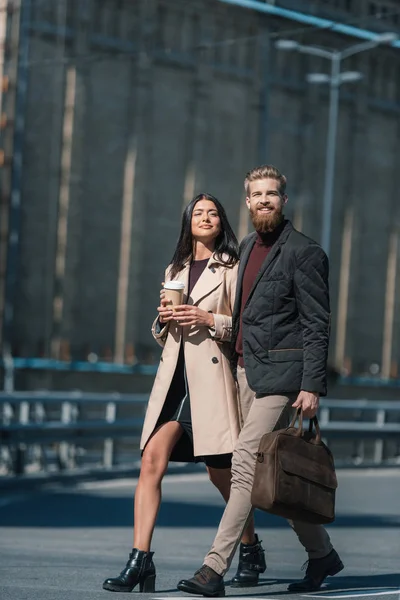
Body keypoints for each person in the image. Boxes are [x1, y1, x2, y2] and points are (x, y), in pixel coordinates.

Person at [177, 165, 344, 597]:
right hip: (245, 373)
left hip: (285, 379)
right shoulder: (247, 248)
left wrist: (311, 385)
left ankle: (213, 568)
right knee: (275, 476)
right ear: (247, 202)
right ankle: (322, 553)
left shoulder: (305, 253)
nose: (265, 200)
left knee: (246, 461)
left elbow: (316, 324)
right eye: (257, 195)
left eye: (273, 194)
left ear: (283, 202)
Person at [102, 193, 266, 593]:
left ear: (221, 222)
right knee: (151, 461)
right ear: (188, 223)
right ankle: (140, 560)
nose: (205, 217)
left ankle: (249, 547)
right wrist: (163, 319)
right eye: (198, 213)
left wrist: (208, 317)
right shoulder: (174, 267)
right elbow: (166, 335)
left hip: (210, 379)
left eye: (212, 213)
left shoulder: (232, 266)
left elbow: (243, 324)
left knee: (221, 475)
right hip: (175, 376)